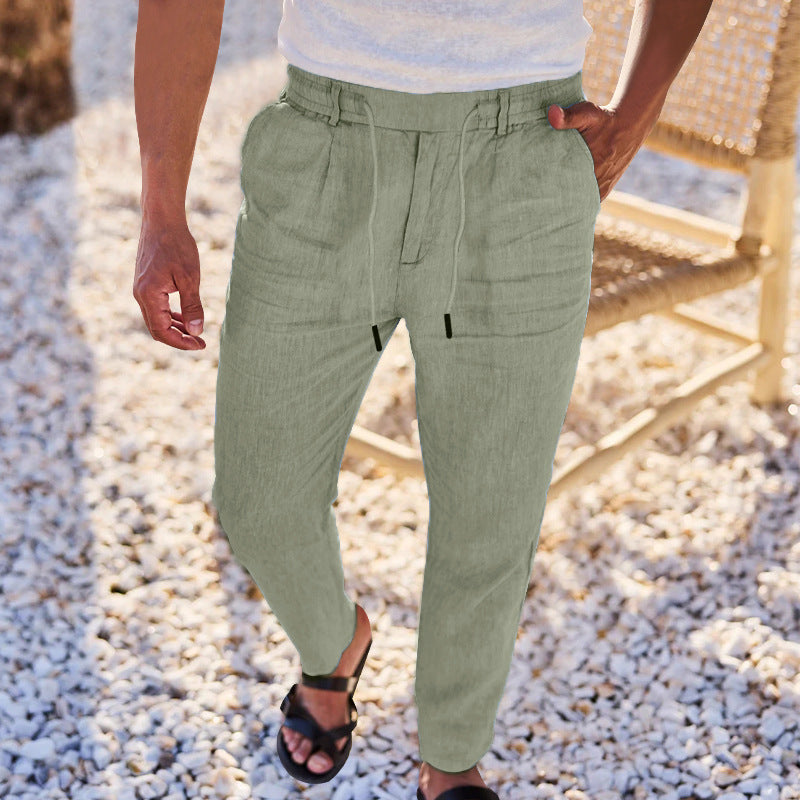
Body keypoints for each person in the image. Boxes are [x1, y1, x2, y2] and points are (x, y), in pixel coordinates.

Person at [133, 1, 714, 798]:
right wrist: (161, 209)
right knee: (258, 498)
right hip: (324, 147)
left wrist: (635, 115)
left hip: (524, 153)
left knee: (490, 512)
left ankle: (452, 762)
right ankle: (332, 646)